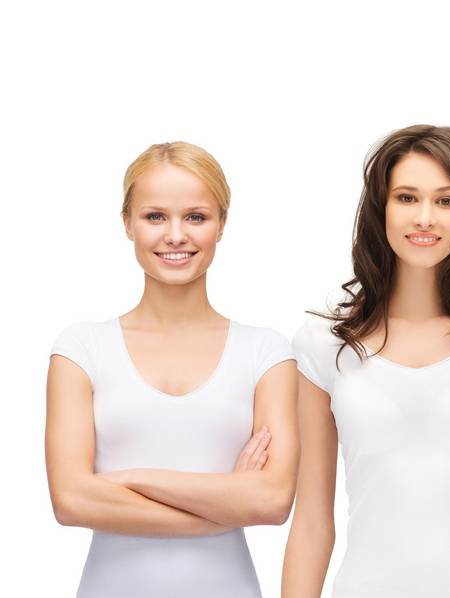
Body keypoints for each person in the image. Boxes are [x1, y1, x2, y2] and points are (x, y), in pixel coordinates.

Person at [281, 125, 450, 597]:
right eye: (407, 198)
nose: (425, 217)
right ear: (380, 209)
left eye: (446, 201)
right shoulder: (323, 344)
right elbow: (310, 525)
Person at [46, 141, 298, 598]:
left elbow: (272, 501)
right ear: (127, 223)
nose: (176, 235)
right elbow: (70, 500)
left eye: (196, 217)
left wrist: (127, 480)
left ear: (222, 224)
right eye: (155, 216)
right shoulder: (81, 349)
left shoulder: (266, 353)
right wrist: (226, 502)